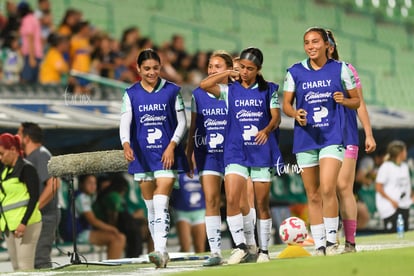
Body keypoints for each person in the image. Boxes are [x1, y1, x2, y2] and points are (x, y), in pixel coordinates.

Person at [200, 47, 282, 264]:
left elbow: (276, 118)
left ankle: (263, 250)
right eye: (242, 68)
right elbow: (204, 85)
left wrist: (266, 130)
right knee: (233, 199)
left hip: (260, 151)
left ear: (258, 69)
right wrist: (227, 73)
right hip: (235, 151)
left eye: (250, 68)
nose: (245, 72)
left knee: (262, 203)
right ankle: (241, 246)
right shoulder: (230, 90)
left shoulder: (269, 90)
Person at [282, 27, 360, 256]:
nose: (310, 46)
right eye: (307, 42)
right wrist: (295, 113)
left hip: (332, 137)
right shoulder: (294, 72)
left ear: (327, 45)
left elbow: (356, 101)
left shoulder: (341, 69)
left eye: (315, 41)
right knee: (313, 194)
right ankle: (320, 246)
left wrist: (345, 100)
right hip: (305, 138)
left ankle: (332, 239)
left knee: (328, 187)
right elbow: (286, 104)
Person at [186, 50, 257, 266]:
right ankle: (216, 251)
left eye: (217, 66)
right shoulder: (198, 94)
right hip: (207, 153)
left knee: (241, 201)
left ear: (227, 69)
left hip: (231, 152)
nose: (211, 70)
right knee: (211, 200)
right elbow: (194, 125)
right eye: (210, 66)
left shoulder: (232, 92)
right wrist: (189, 152)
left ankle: (251, 244)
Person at [120, 48, 188, 268]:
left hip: (166, 154)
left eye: (155, 68)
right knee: (150, 207)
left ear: (160, 68)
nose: (151, 72)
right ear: (139, 69)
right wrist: (126, 144)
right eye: (146, 68)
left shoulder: (172, 91)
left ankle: (160, 249)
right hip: (142, 155)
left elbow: (182, 122)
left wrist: (172, 145)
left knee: (161, 201)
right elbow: (125, 122)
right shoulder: (130, 93)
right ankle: (161, 252)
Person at [326, 29, 376, 253]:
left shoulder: (346, 70)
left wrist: (368, 132)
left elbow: (361, 103)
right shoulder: (307, 72)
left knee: (343, 186)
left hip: (346, 135)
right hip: (321, 138)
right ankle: (328, 238)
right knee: (325, 188)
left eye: (322, 42)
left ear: (331, 46)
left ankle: (350, 241)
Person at [17, 122, 61, 268]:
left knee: (40, 260)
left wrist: (34, 210)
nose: (16, 137)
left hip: (45, 216)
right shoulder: (32, 156)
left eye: (19, 134)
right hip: (39, 216)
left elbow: (54, 184)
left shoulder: (41, 154)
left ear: (27, 138)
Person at [0, 133, 42, 271]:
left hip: (27, 224)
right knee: (16, 268)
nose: (0, 158)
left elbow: (34, 197)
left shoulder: (26, 168)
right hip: (9, 226)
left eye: (2, 153)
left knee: (25, 268)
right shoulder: (5, 172)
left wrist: (23, 223)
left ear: (13, 149)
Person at [73, 174, 126, 259]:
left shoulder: (90, 196)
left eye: (94, 183)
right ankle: (111, 268)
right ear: (81, 184)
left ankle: (113, 264)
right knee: (116, 238)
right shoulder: (81, 197)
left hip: (85, 231)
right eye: (89, 183)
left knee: (120, 237)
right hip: (78, 233)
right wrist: (111, 228)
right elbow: (92, 220)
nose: (93, 186)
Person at [93, 173, 143, 257]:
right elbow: (113, 215)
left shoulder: (113, 195)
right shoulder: (114, 196)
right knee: (132, 233)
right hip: (117, 224)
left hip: (122, 224)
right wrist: (113, 228)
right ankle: (133, 256)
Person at [375, 140, 412, 233]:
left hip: (404, 205)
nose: (406, 153)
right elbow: (378, 187)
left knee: (405, 233)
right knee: (393, 232)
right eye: (405, 151)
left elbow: (407, 185)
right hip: (391, 207)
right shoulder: (386, 167)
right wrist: (391, 200)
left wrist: (410, 197)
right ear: (400, 153)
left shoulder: (405, 166)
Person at [170, 170, 206, 253]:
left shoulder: (201, 168)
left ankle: (201, 265)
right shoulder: (178, 169)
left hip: (200, 210)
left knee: (200, 247)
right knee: (185, 246)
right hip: (181, 211)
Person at [17, 1, 43, 83]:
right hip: (36, 53)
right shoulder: (33, 19)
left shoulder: (27, 20)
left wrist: (31, 57)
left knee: (26, 80)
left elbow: (30, 38)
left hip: (31, 54)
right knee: (33, 80)